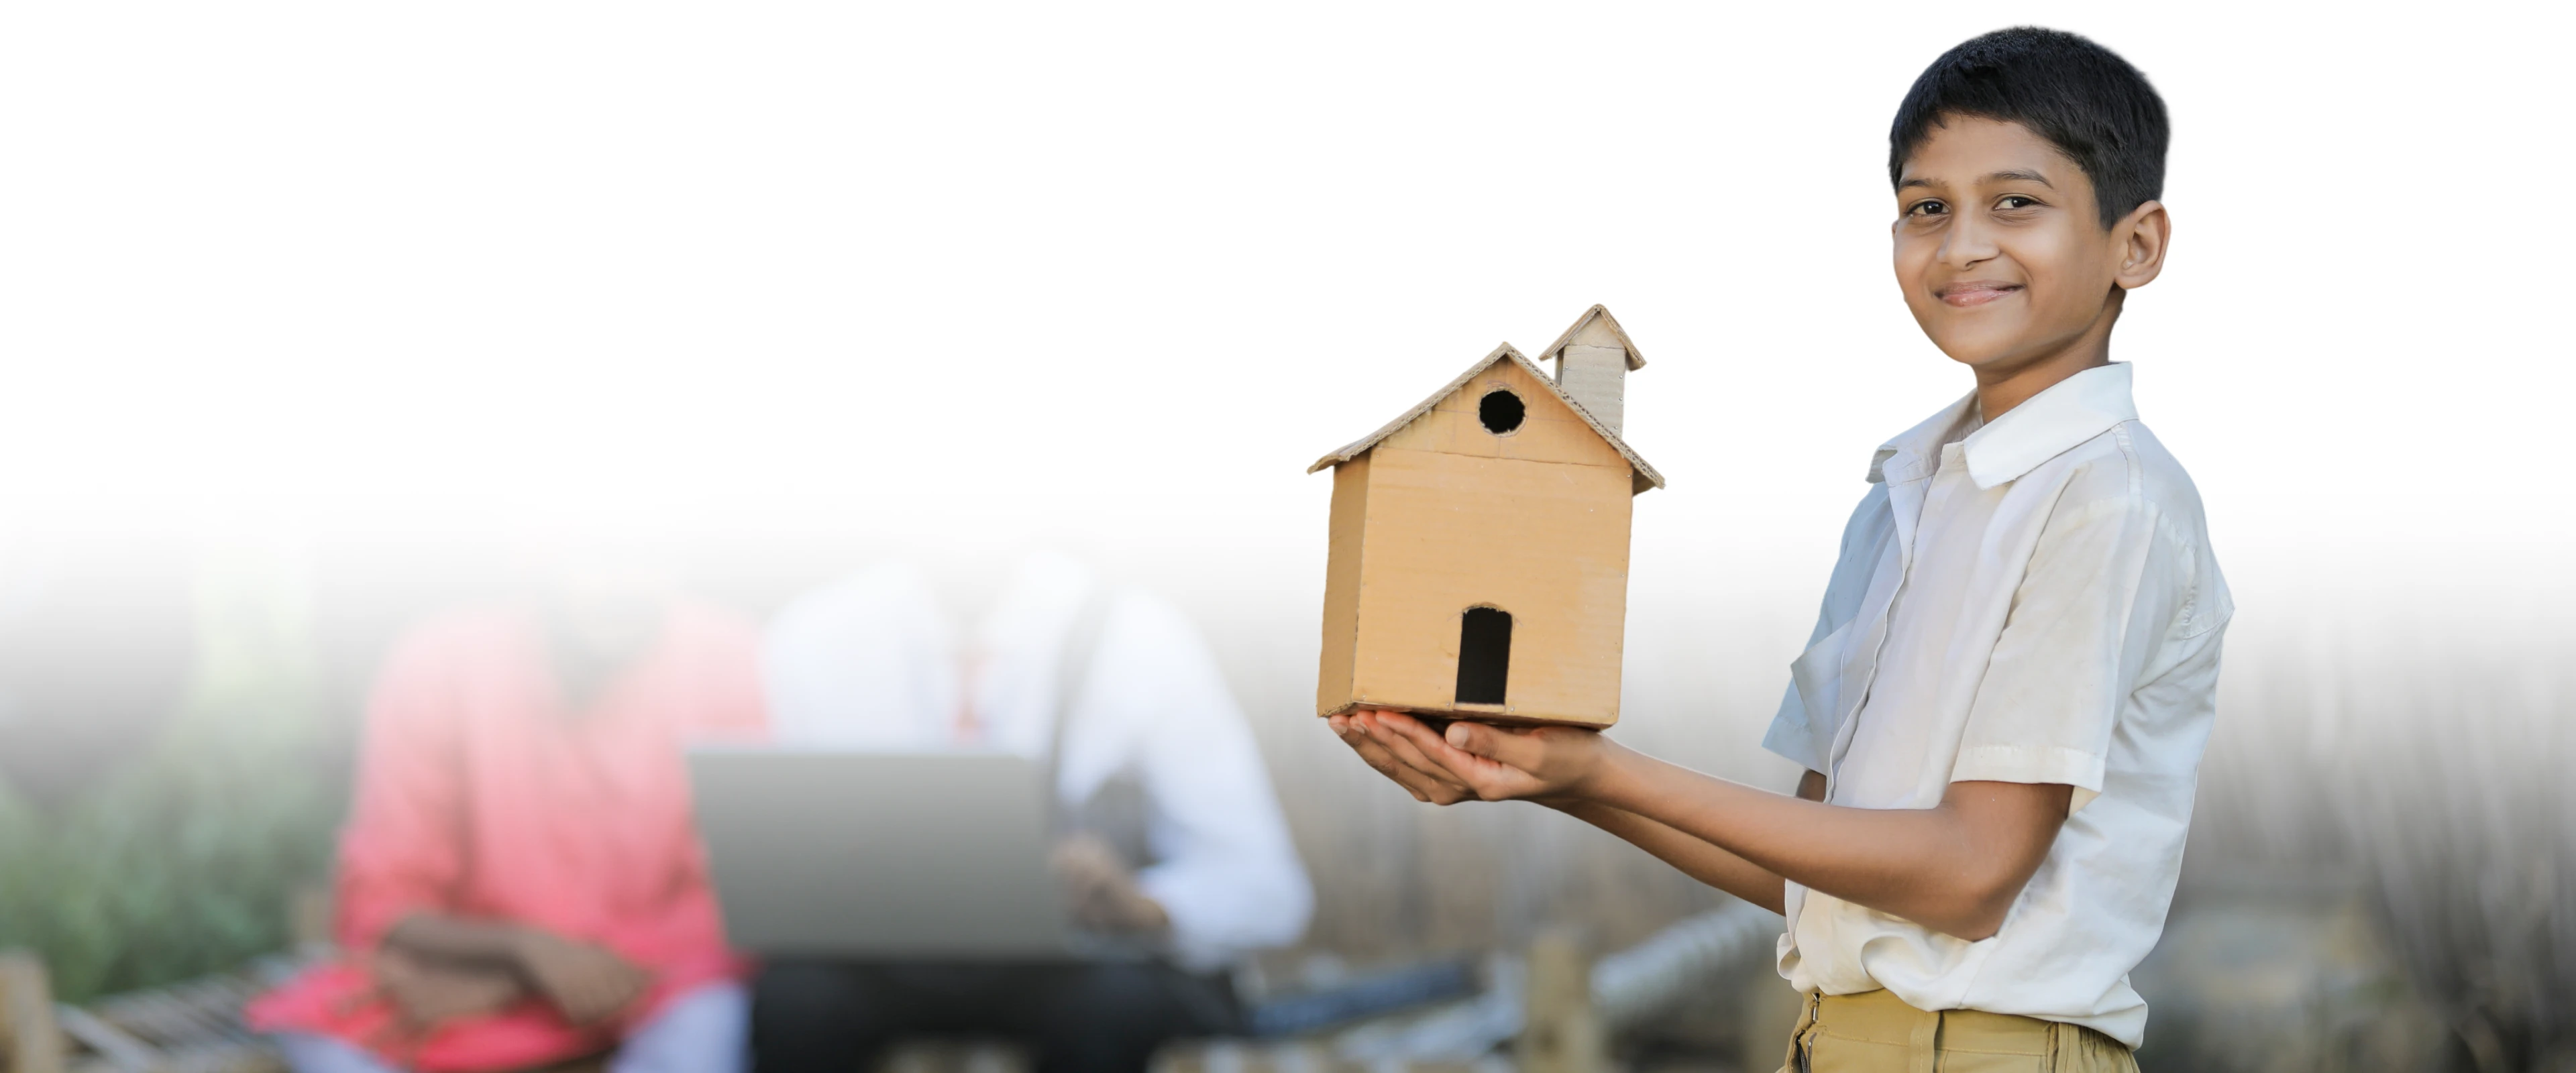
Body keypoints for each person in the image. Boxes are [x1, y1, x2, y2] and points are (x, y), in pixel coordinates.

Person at [1330, 27, 2224, 1073]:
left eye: (2016, 203)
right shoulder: (1904, 496)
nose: (1961, 246)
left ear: (2136, 245)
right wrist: (1554, 776)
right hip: (1831, 1043)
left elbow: (1970, 878)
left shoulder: (2106, 501)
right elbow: (1814, 870)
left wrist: (1607, 768)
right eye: (1926, 208)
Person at [751, 551, 1311, 1073]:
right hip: (888, 963)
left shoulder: (1135, 636)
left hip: (1075, 966)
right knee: (795, 1001)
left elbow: (1269, 891)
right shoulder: (815, 636)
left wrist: (1143, 905)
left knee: (1114, 1006)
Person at [249, 556, 767, 1073]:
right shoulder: (440, 657)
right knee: (333, 1026)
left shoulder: (727, 654)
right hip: (459, 975)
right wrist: (522, 953)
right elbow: (381, 896)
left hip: (647, 975)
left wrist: (519, 981)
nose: (618, 584)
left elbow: (733, 898)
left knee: (708, 1015)